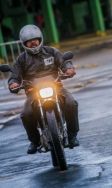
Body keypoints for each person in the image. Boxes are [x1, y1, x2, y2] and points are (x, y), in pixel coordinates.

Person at [8, 25, 79, 154]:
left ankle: (72, 135)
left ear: (40, 39)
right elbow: (14, 75)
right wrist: (13, 83)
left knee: (71, 103)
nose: (33, 43)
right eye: (29, 41)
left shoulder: (51, 51)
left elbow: (63, 61)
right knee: (26, 114)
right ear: (24, 44)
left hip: (56, 87)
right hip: (33, 93)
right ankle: (35, 141)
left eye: (35, 39)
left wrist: (68, 68)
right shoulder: (21, 59)